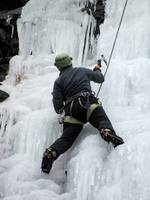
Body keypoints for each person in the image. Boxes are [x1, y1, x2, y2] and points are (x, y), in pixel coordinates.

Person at [41, 53, 124, 174]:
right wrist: (97, 69)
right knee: (101, 119)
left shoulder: (58, 82)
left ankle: (51, 152)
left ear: (58, 67)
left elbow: (57, 107)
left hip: (71, 112)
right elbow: (100, 78)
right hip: (87, 102)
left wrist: (63, 110)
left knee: (66, 138)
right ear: (70, 62)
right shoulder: (81, 71)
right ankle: (106, 131)